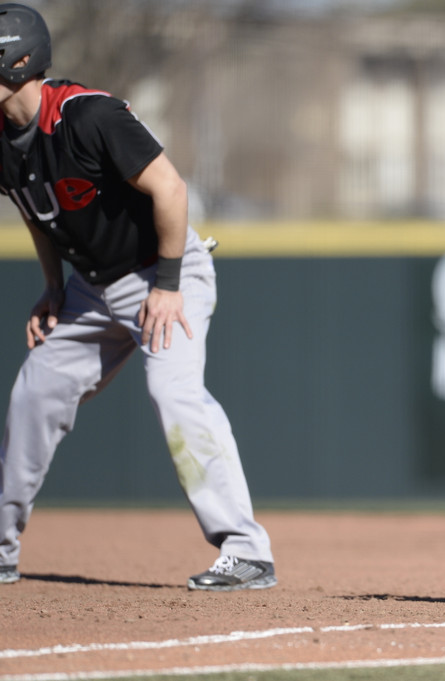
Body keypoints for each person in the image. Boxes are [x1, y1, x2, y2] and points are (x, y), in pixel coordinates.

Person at [0, 4, 274, 591]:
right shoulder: (4, 141)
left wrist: (170, 287)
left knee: (173, 392)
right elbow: (36, 215)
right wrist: (52, 288)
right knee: (33, 396)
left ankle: (247, 551)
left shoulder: (88, 115)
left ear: (19, 62)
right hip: (90, 288)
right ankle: (1, 547)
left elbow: (170, 189)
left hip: (165, 272)